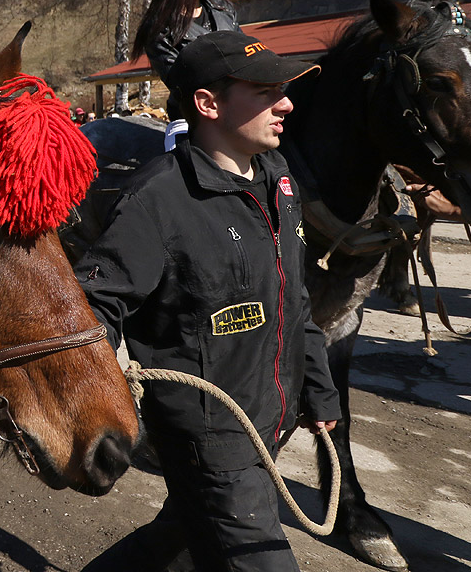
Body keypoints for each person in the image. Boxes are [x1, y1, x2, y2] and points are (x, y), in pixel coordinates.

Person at [76, 31, 341, 572]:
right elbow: (92, 308)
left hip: (272, 420)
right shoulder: (158, 201)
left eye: (284, 89)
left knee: (179, 537)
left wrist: (318, 390)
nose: (286, 102)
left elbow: (294, 301)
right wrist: (100, 401)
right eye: (266, 90)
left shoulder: (279, 181)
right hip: (209, 441)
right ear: (208, 104)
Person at [132, 0, 241, 149]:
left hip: (241, 112)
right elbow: (183, 83)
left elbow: (251, 58)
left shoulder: (226, 12)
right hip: (192, 122)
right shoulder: (159, 26)